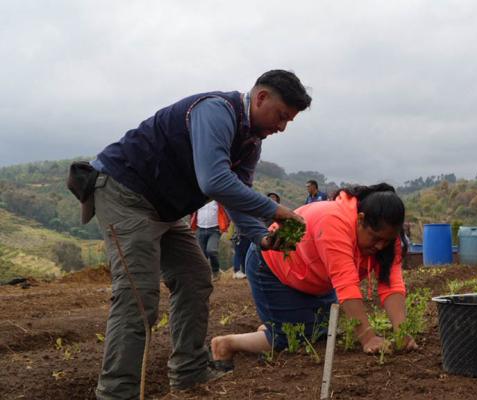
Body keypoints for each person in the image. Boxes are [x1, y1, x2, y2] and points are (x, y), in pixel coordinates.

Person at [83, 69, 311, 399]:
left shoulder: (250, 143)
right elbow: (214, 181)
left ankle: (189, 373)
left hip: (163, 208)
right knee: (138, 295)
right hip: (125, 193)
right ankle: (117, 393)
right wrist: (275, 210)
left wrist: (260, 236)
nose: (282, 127)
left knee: (195, 276)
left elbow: (234, 195)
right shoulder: (216, 111)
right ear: (261, 98)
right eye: (281, 116)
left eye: (288, 121)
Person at [210, 184, 418, 367]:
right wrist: (368, 338)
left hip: (313, 278)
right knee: (293, 339)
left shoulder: (390, 240)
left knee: (322, 332)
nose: (381, 245)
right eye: (375, 238)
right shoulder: (334, 223)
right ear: (360, 220)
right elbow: (346, 285)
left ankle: (275, 323)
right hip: (272, 265)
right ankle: (227, 343)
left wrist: (402, 333)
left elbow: (391, 285)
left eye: (387, 240)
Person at [191, 200, 229, 281]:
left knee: (211, 250)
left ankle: (216, 271)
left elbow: (226, 212)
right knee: (202, 254)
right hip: (200, 229)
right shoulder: (198, 199)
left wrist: (224, 226)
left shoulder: (217, 199)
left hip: (214, 230)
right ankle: (204, 275)